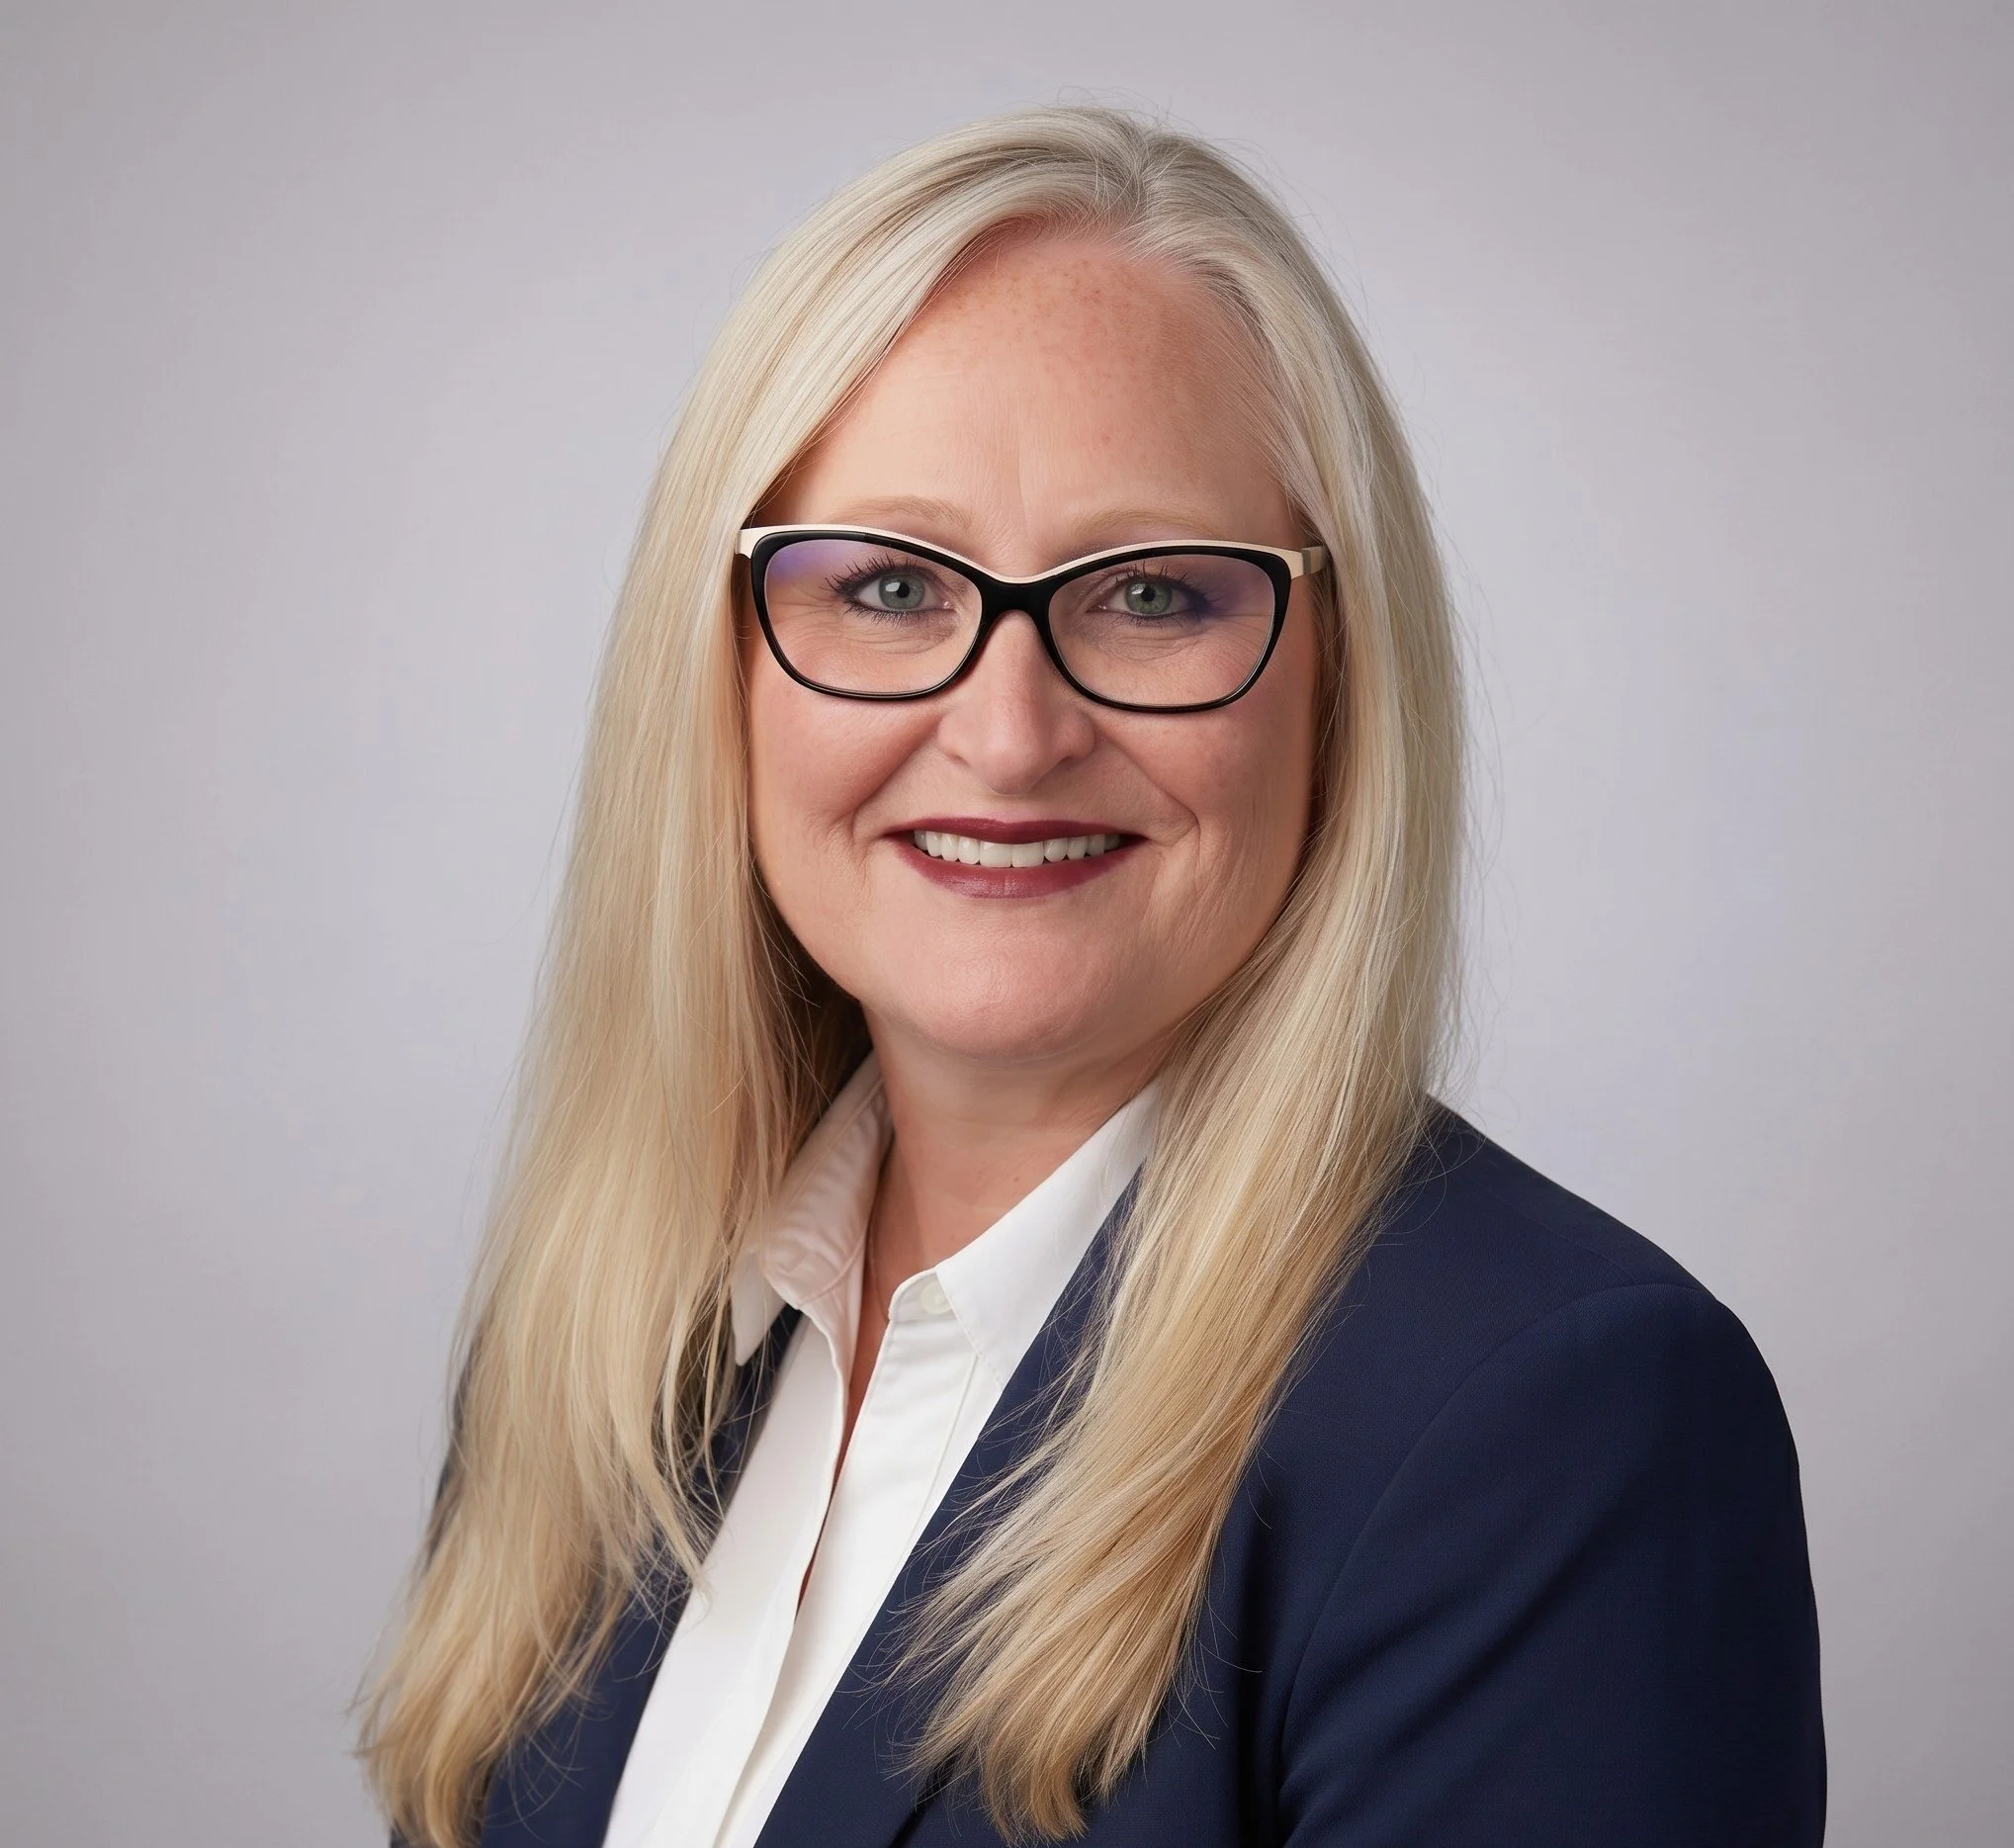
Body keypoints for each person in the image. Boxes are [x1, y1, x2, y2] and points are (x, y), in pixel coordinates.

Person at [361, 107, 1824, 1848]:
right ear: (726, 669)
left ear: (1336, 682)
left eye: (1153, 597)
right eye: (890, 584)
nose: (1008, 730)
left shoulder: (1553, 1424)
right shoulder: (603, 1341)